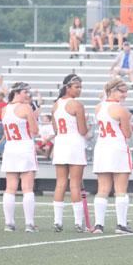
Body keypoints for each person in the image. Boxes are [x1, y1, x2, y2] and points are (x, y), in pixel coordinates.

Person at [92, 78, 133, 234]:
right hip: (117, 147)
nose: (125, 95)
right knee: (120, 188)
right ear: (113, 90)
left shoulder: (98, 107)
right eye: (122, 91)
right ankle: (121, 224)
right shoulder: (120, 109)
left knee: (102, 188)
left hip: (102, 147)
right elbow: (127, 133)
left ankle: (98, 225)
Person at [51, 74, 89, 232]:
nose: (79, 90)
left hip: (60, 143)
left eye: (80, 87)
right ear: (68, 87)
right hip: (74, 143)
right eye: (76, 87)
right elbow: (82, 130)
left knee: (60, 183)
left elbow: (55, 129)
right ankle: (78, 222)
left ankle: (57, 221)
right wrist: (88, 128)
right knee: (74, 183)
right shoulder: (76, 105)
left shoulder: (56, 104)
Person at [1, 82, 40, 232]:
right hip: (24, 147)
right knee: (27, 188)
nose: (28, 95)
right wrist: (34, 116)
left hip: (10, 147)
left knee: (10, 187)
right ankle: (29, 223)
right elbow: (34, 130)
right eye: (25, 92)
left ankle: (9, 223)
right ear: (17, 92)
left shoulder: (5, 109)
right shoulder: (25, 108)